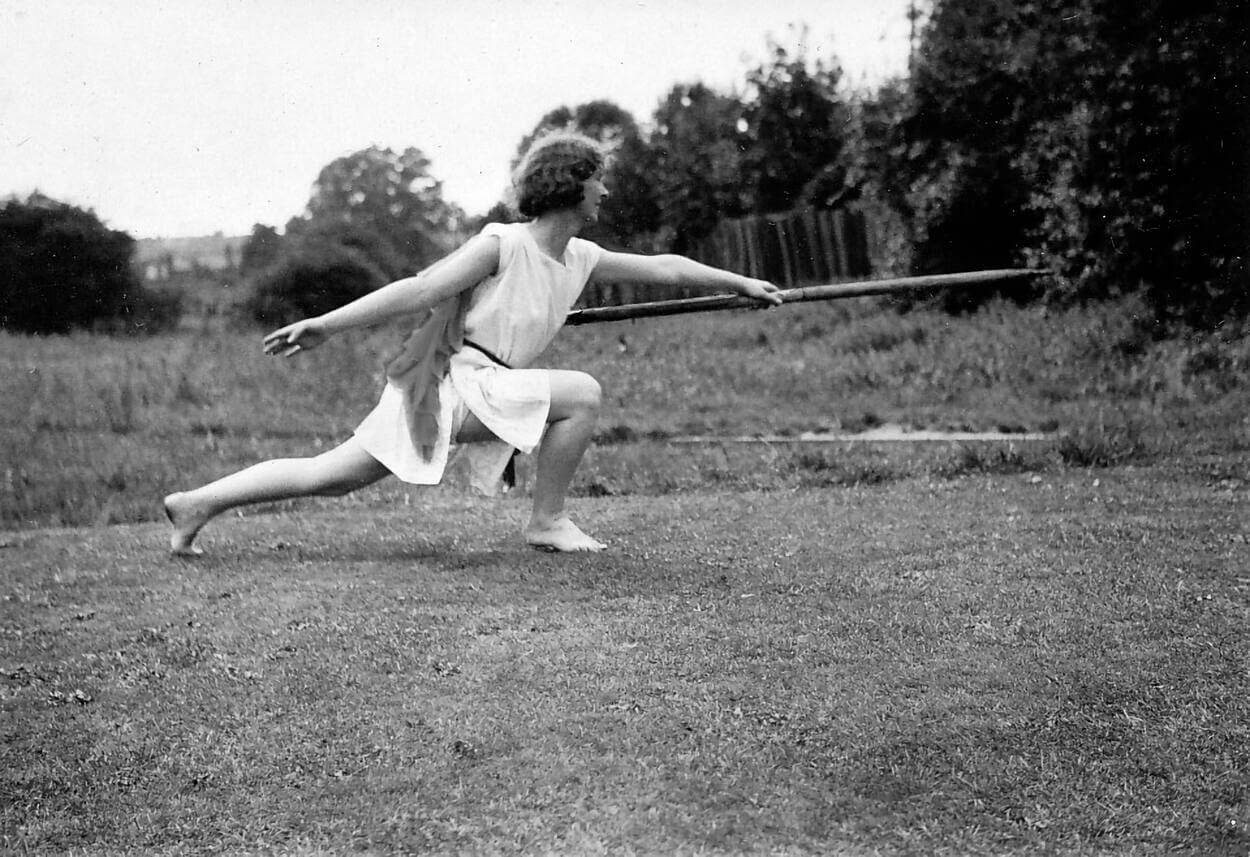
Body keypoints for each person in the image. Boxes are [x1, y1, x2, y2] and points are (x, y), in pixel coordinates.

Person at [163, 131, 782, 556]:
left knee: (333, 475)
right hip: (452, 384)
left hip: (481, 386)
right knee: (582, 394)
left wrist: (740, 283)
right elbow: (420, 287)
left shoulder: (583, 256)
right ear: (571, 186)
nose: (606, 192)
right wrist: (326, 324)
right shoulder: (502, 243)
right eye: (599, 181)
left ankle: (194, 504)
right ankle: (548, 522)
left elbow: (667, 268)